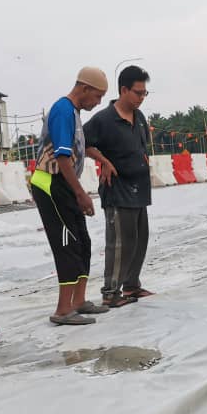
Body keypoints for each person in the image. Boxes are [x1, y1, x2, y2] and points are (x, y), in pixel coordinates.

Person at [31, 67, 108, 325]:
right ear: (84, 89)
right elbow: (62, 157)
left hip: (64, 184)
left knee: (82, 242)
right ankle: (63, 310)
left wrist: (100, 158)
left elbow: (77, 149)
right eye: (97, 97)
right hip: (51, 184)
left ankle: (79, 301)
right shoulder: (63, 110)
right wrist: (80, 193)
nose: (97, 103)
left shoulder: (73, 113)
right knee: (67, 244)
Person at [84, 65, 154, 308]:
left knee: (139, 239)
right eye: (138, 93)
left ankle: (132, 285)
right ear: (124, 90)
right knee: (120, 243)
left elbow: (142, 147)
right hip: (118, 190)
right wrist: (102, 160)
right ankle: (111, 292)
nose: (141, 98)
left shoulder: (140, 118)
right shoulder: (104, 119)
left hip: (139, 189)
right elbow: (82, 143)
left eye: (145, 93)